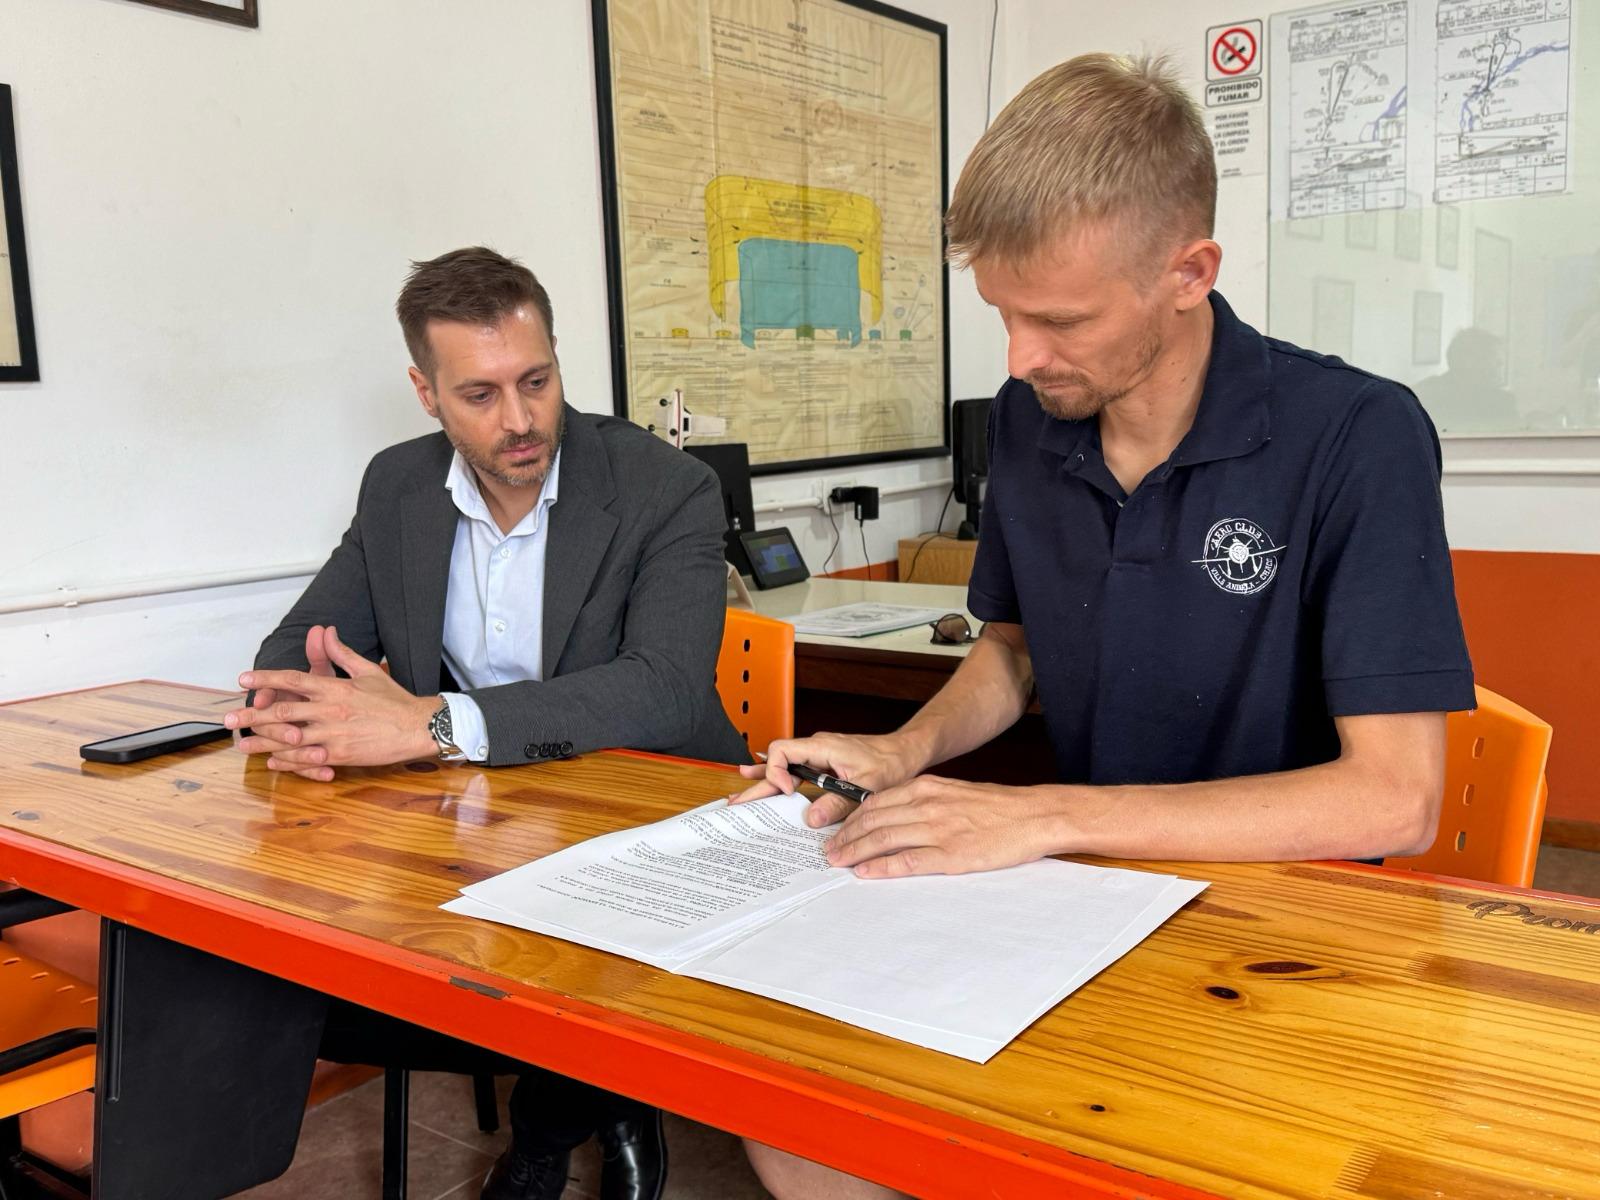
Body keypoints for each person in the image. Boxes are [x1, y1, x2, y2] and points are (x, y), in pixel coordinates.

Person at [733, 53, 1476, 1200]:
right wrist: (899, 751)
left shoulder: (1357, 436)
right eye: (1004, 314)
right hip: (1078, 899)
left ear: (1188, 273)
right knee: (791, 1117)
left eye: (1060, 319)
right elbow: (1012, 649)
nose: (1020, 359)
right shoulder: (1032, 419)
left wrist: (1044, 815)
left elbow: (1395, 799)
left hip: (1283, 937)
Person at [227, 246, 748, 1200]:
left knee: (589, 934)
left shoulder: (664, 486)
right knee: (292, 947)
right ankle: (603, 1090)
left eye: (536, 382)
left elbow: (666, 688)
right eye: (480, 394)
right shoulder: (397, 485)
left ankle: (550, 1130)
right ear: (425, 392)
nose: (519, 419)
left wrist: (427, 724)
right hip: (484, 815)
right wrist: (296, 713)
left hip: (653, 804)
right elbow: (303, 644)